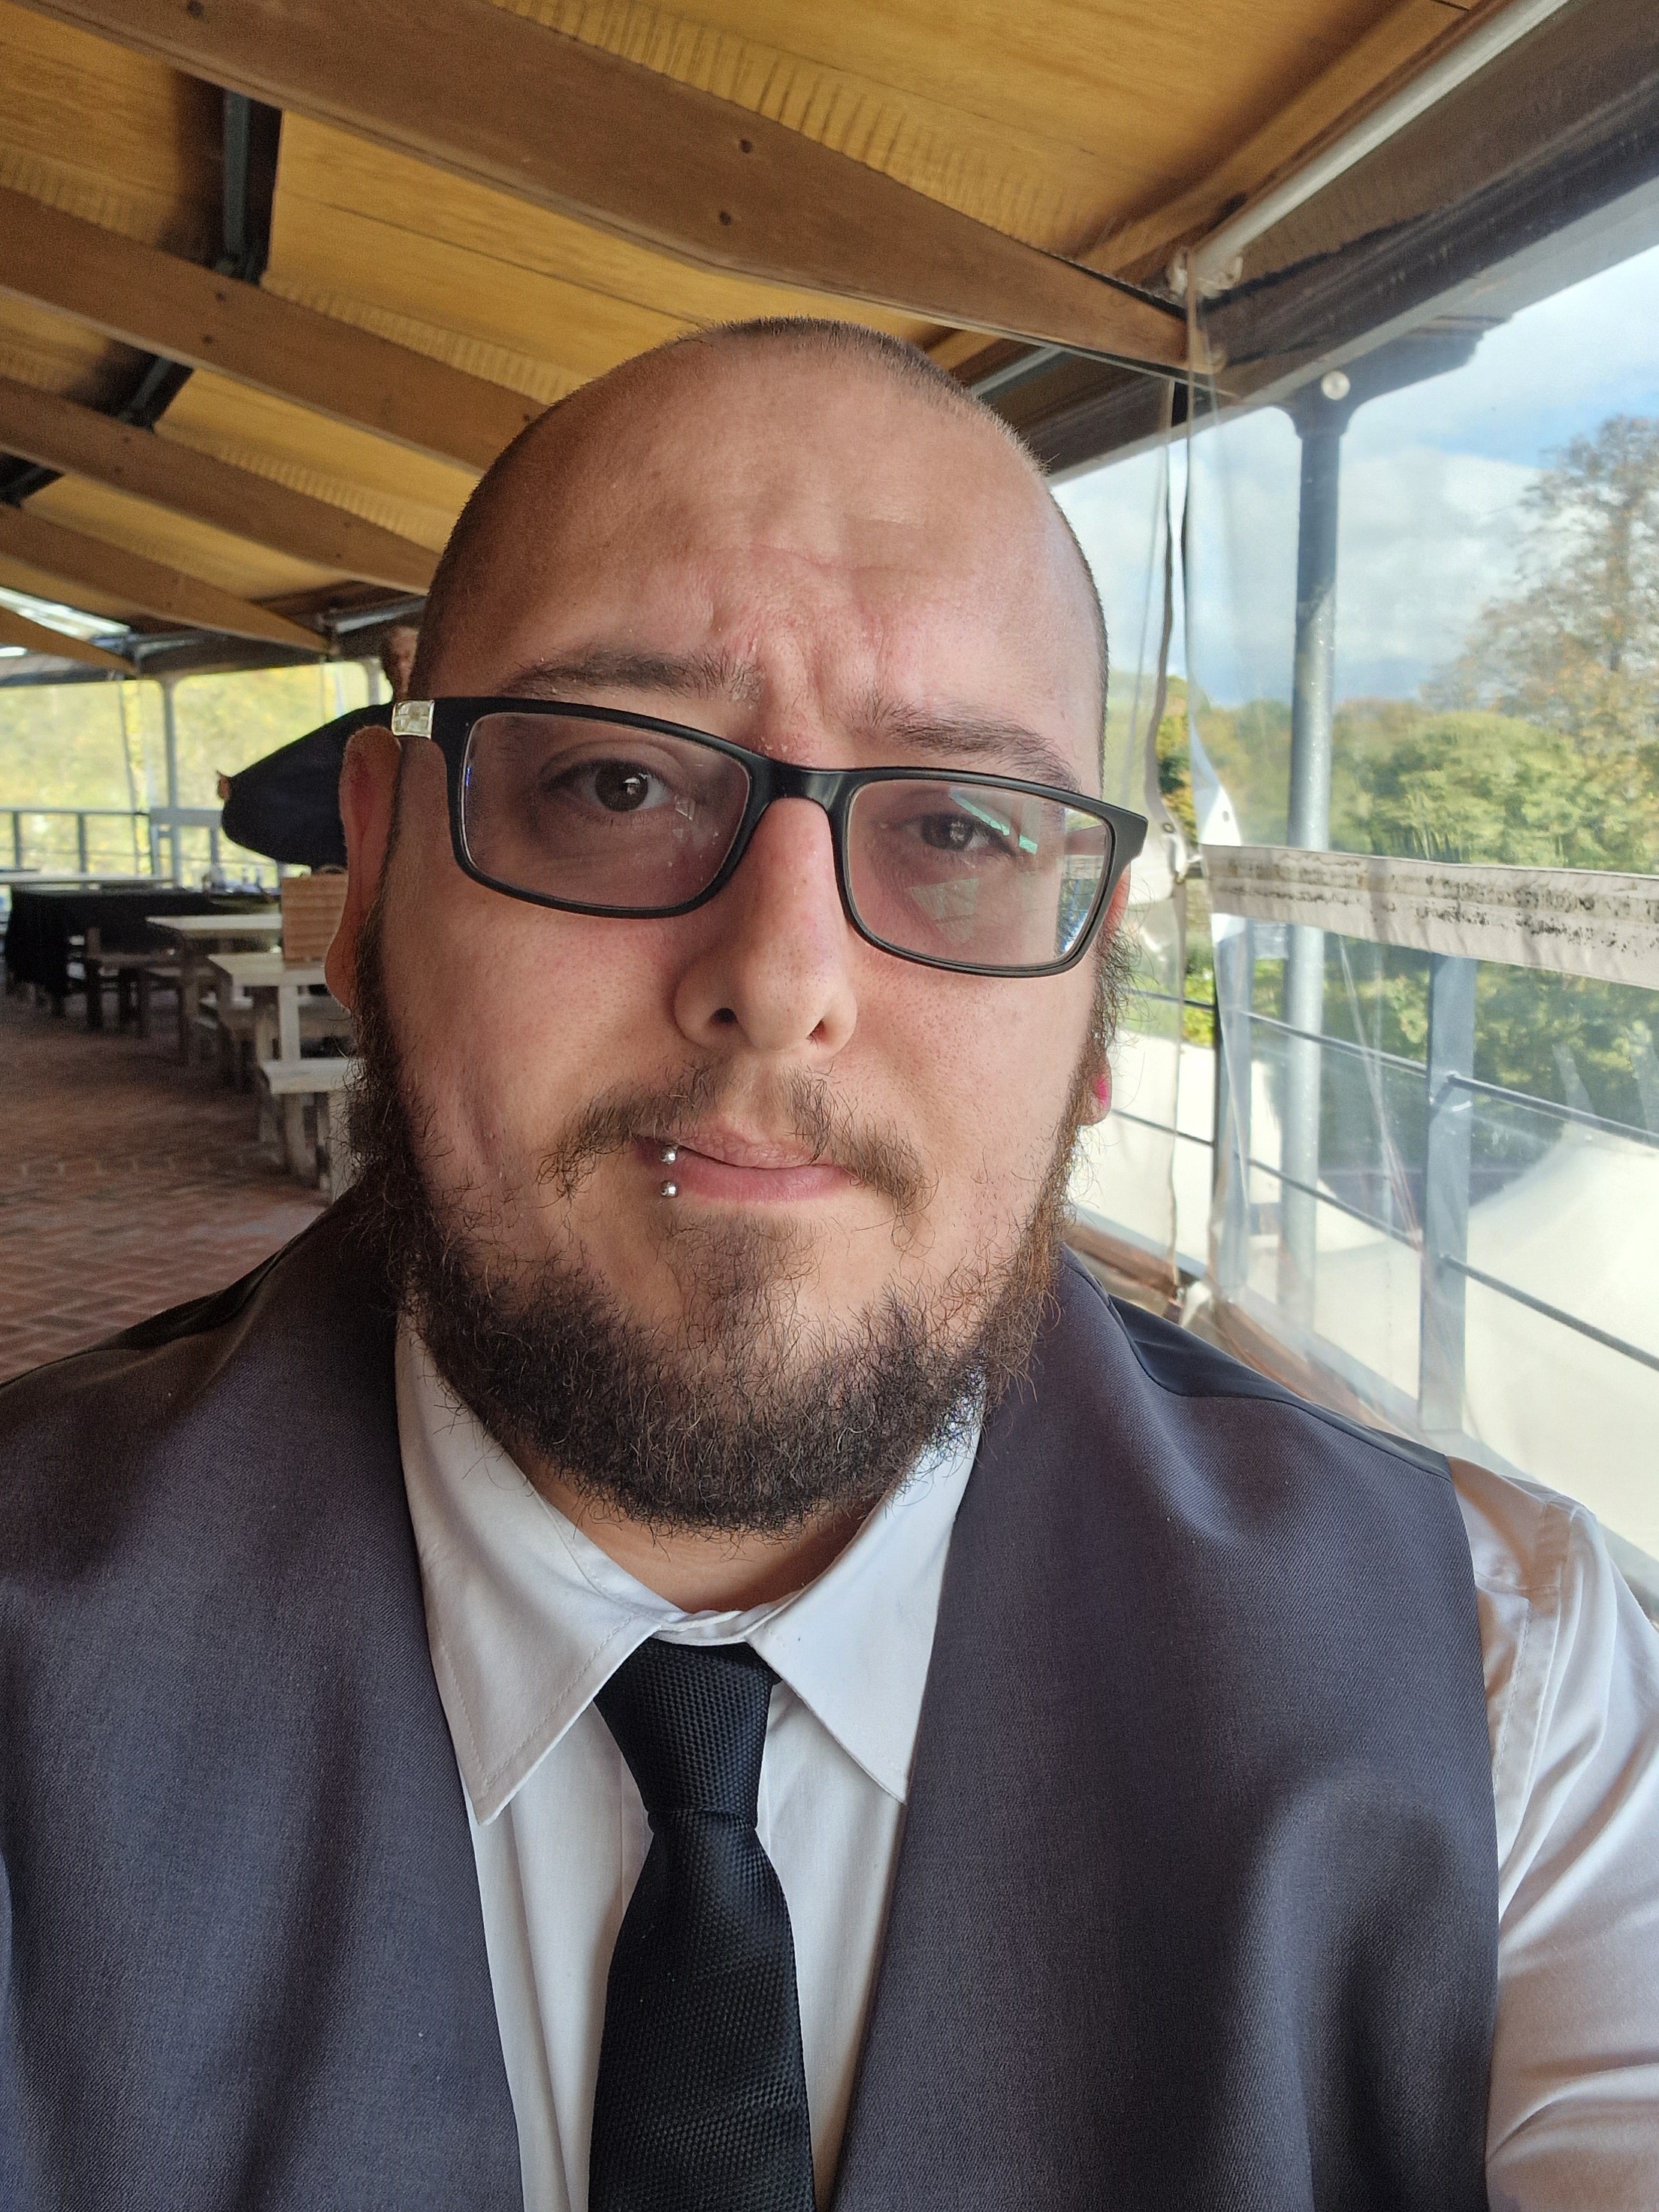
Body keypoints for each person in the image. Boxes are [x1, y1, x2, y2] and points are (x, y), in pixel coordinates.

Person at [2, 319, 1656, 2212]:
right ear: (372, 889)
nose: (780, 980)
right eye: (617, 785)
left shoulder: (1500, 1694)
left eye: (956, 825)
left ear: (1093, 993)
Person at [215, 622, 420, 867]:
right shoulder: (364, 723)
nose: (400, 666)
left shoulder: (445, 717)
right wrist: (243, 786)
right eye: (393, 660)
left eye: (408, 658)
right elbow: (304, 757)